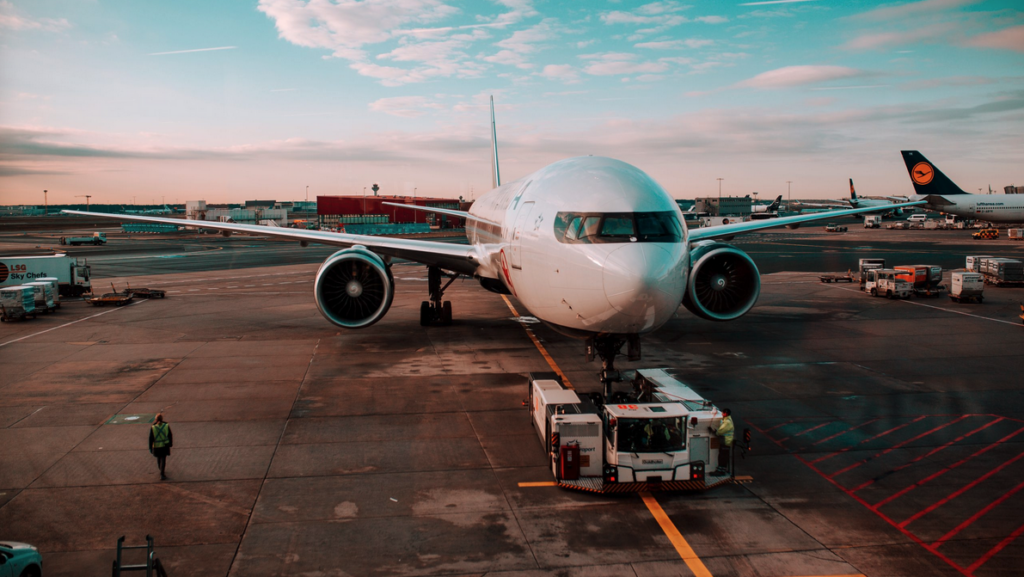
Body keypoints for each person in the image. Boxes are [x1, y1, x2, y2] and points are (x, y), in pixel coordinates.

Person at [709, 408, 734, 474]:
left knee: (722, 456)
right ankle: (721, 469)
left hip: (726, 441)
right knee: (723, 455)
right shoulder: (726, 420)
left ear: (725, 413)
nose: (722, 413)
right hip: (725, 441)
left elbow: (720, 431)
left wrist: (713, 432)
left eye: (723, 412)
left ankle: (721, 470)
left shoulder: (727, 422)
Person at [149, 413, 173, 480]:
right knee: (163, 459)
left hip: (157, 446)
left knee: (158, 459)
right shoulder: (166, 426)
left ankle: (160, 470)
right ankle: (162, 473)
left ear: (155, 419)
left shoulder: (153, 427)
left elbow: (151, 438)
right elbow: (170, 435)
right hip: (165, 445)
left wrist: (150, 448)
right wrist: (170, 444)